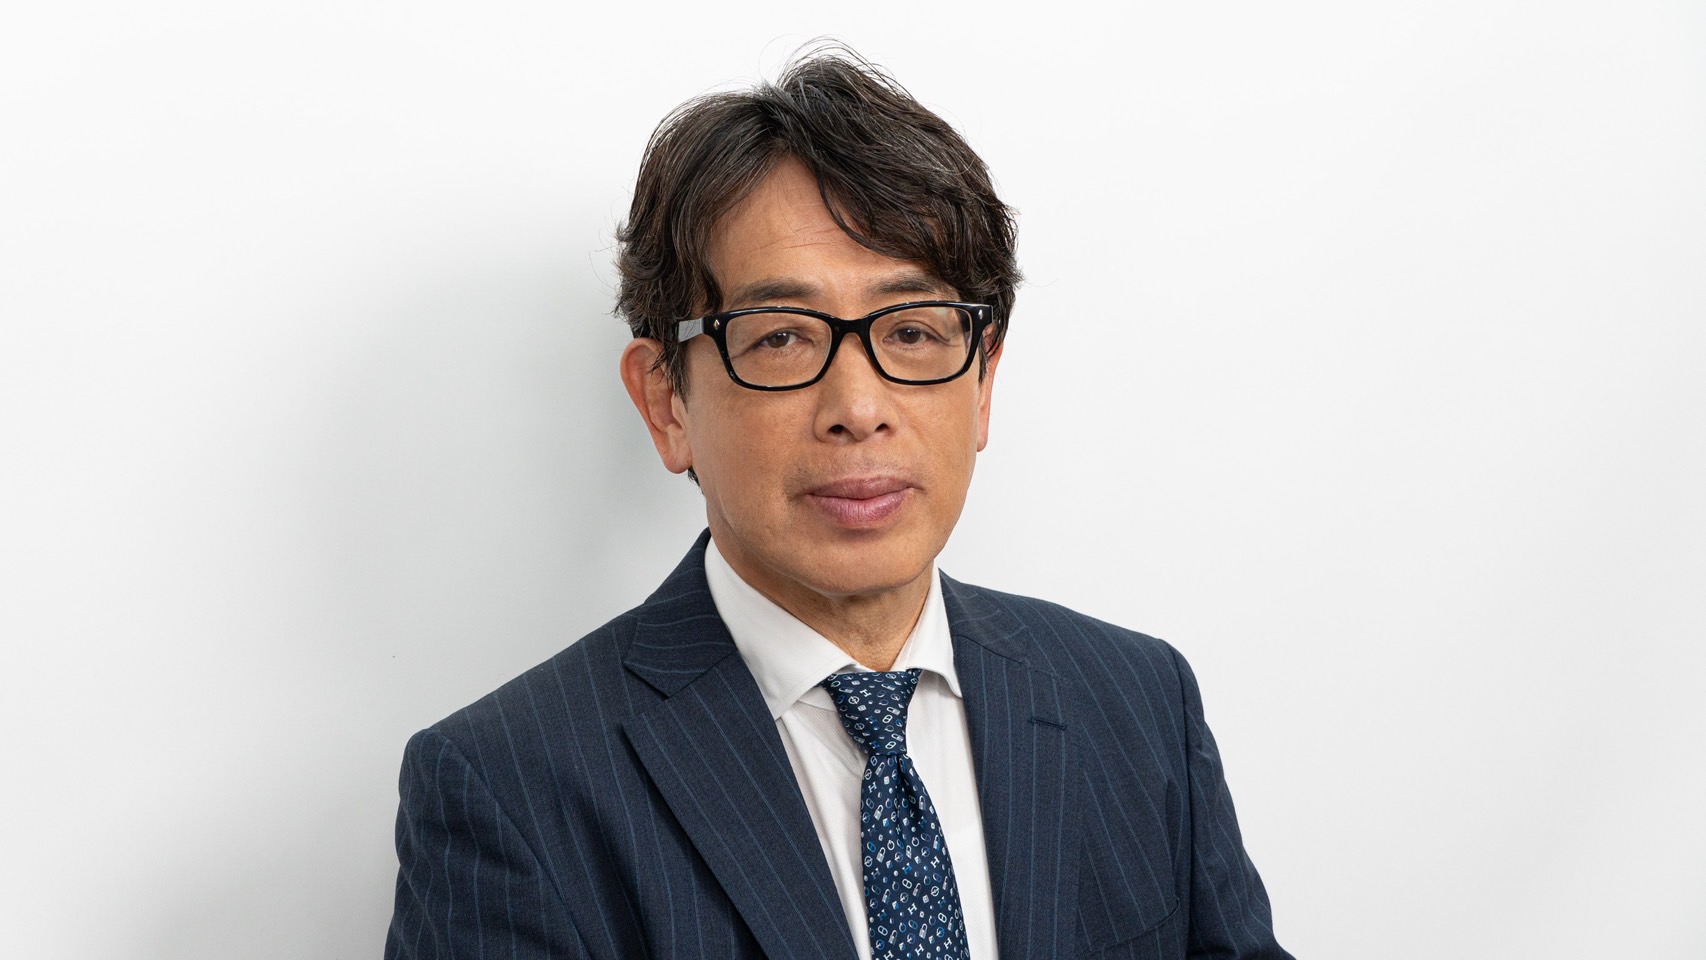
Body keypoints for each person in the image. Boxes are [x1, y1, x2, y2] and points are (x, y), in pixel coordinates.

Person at [385, 47, 1292, 960]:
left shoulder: (1137, 703)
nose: (859, 409)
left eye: (913, 331)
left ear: (983, 384)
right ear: (666, 403)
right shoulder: (509, 789)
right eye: (780, 337)